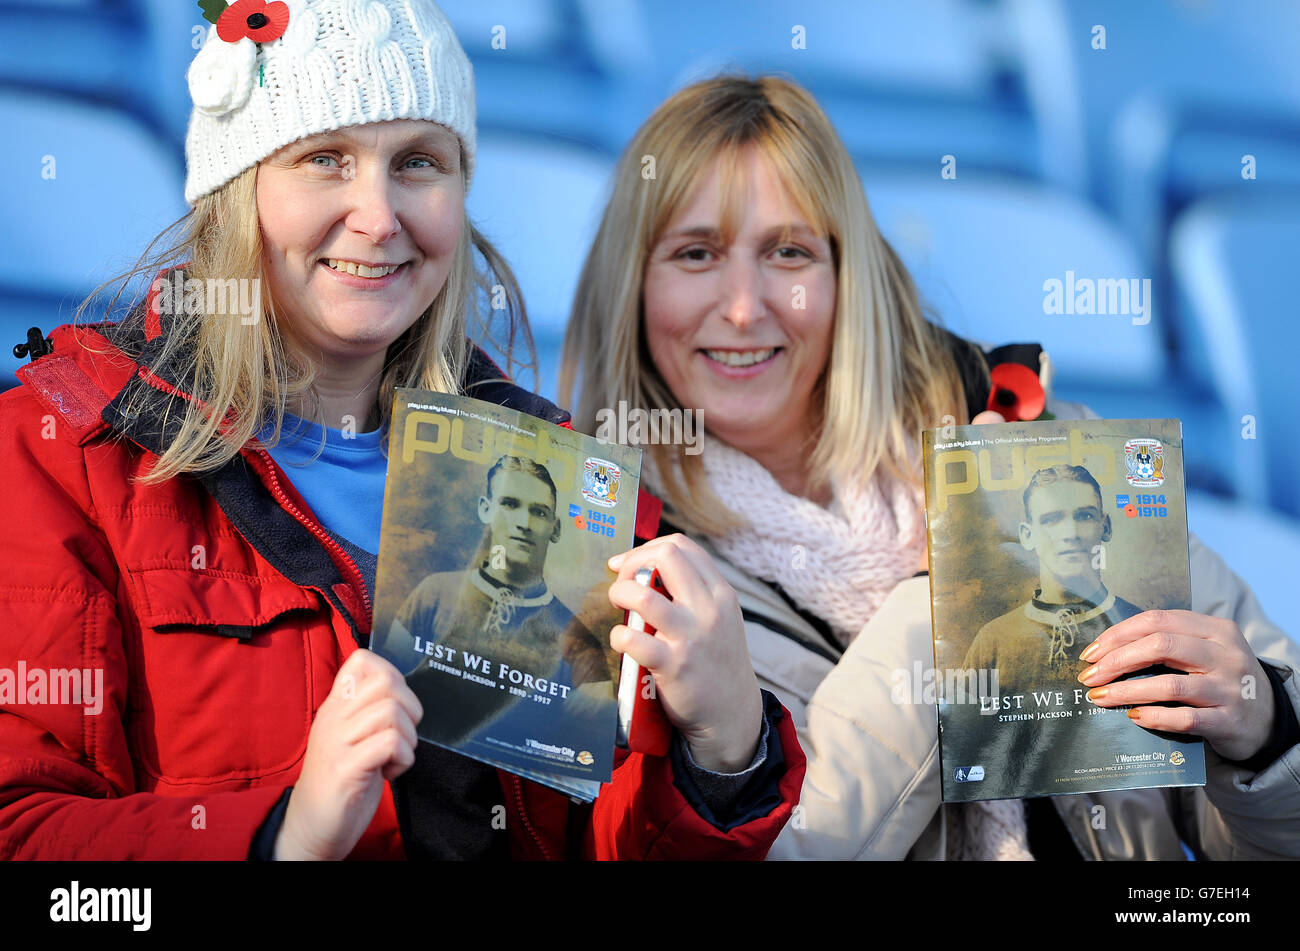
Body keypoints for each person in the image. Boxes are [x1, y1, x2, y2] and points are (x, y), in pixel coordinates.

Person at [0, 1, 805, 861]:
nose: (379, 217)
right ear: (238, 191)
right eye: (325, 160)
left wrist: (726, 757)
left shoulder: (558, 480)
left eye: (419, 162)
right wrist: (284, 836)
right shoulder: (56, 456)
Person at [559, 74, 1300, 860]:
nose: (745, 306)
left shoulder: (1041, 445)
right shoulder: (613, 573)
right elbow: (784, 850)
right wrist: (955, 589)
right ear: (632, 288)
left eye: (790, 252)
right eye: (696, 252)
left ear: (849, 277)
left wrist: (1261, 737)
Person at [373, 454, 613, 748]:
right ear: (485, 509)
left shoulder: (579, 638)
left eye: (538, 512)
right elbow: (386, 684)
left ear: (555, 527)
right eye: (510, 504)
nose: (523, 523)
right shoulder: (433, 593)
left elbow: (583, 746)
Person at [964, 464, 1144, 694]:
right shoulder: (993, 640)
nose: (1070, 533)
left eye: (1084, 516)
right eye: (1051, 519)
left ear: (1105, 527)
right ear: (1027, 536)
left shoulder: (1140, 627)